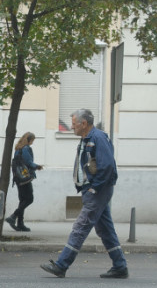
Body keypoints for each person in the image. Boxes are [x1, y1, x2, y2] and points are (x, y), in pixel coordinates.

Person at [40, 108, 128, 279]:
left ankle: (61, 265)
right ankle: (120, 266)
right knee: (105, 230)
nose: (72, 127)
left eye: (74, 124)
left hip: (97, 191)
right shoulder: (87, 139)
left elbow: (107, 166)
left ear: (84, 124)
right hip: (93, 190)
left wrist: (94, 188)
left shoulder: (97, 138)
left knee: (80, 227)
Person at [5, 131, 43, 232]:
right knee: (29, 199)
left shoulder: (18, 149)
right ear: (29, 139)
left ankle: (20, 223)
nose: (33, 142)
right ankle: (13, 216)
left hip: (18, 178)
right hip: (25, 178)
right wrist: (37, 166)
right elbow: (28, 162)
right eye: (32, 140)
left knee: (22, 200)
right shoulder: (26, 148)